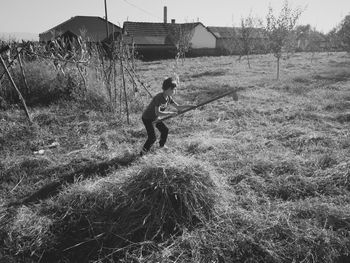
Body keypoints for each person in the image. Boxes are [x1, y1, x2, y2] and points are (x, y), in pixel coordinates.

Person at [140, 77, 194, 156]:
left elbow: (178, 107)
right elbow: (158, 112)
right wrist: (170, 113)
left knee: (165, 130)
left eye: (175, 89)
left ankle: (161, 146)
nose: (174, 91)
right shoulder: (159, 97)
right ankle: (142, 153)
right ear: (167, 89)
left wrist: (190, 106)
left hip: (155, 117)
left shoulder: (168, 98)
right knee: (152, 138)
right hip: (147, 118)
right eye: (173, 89)